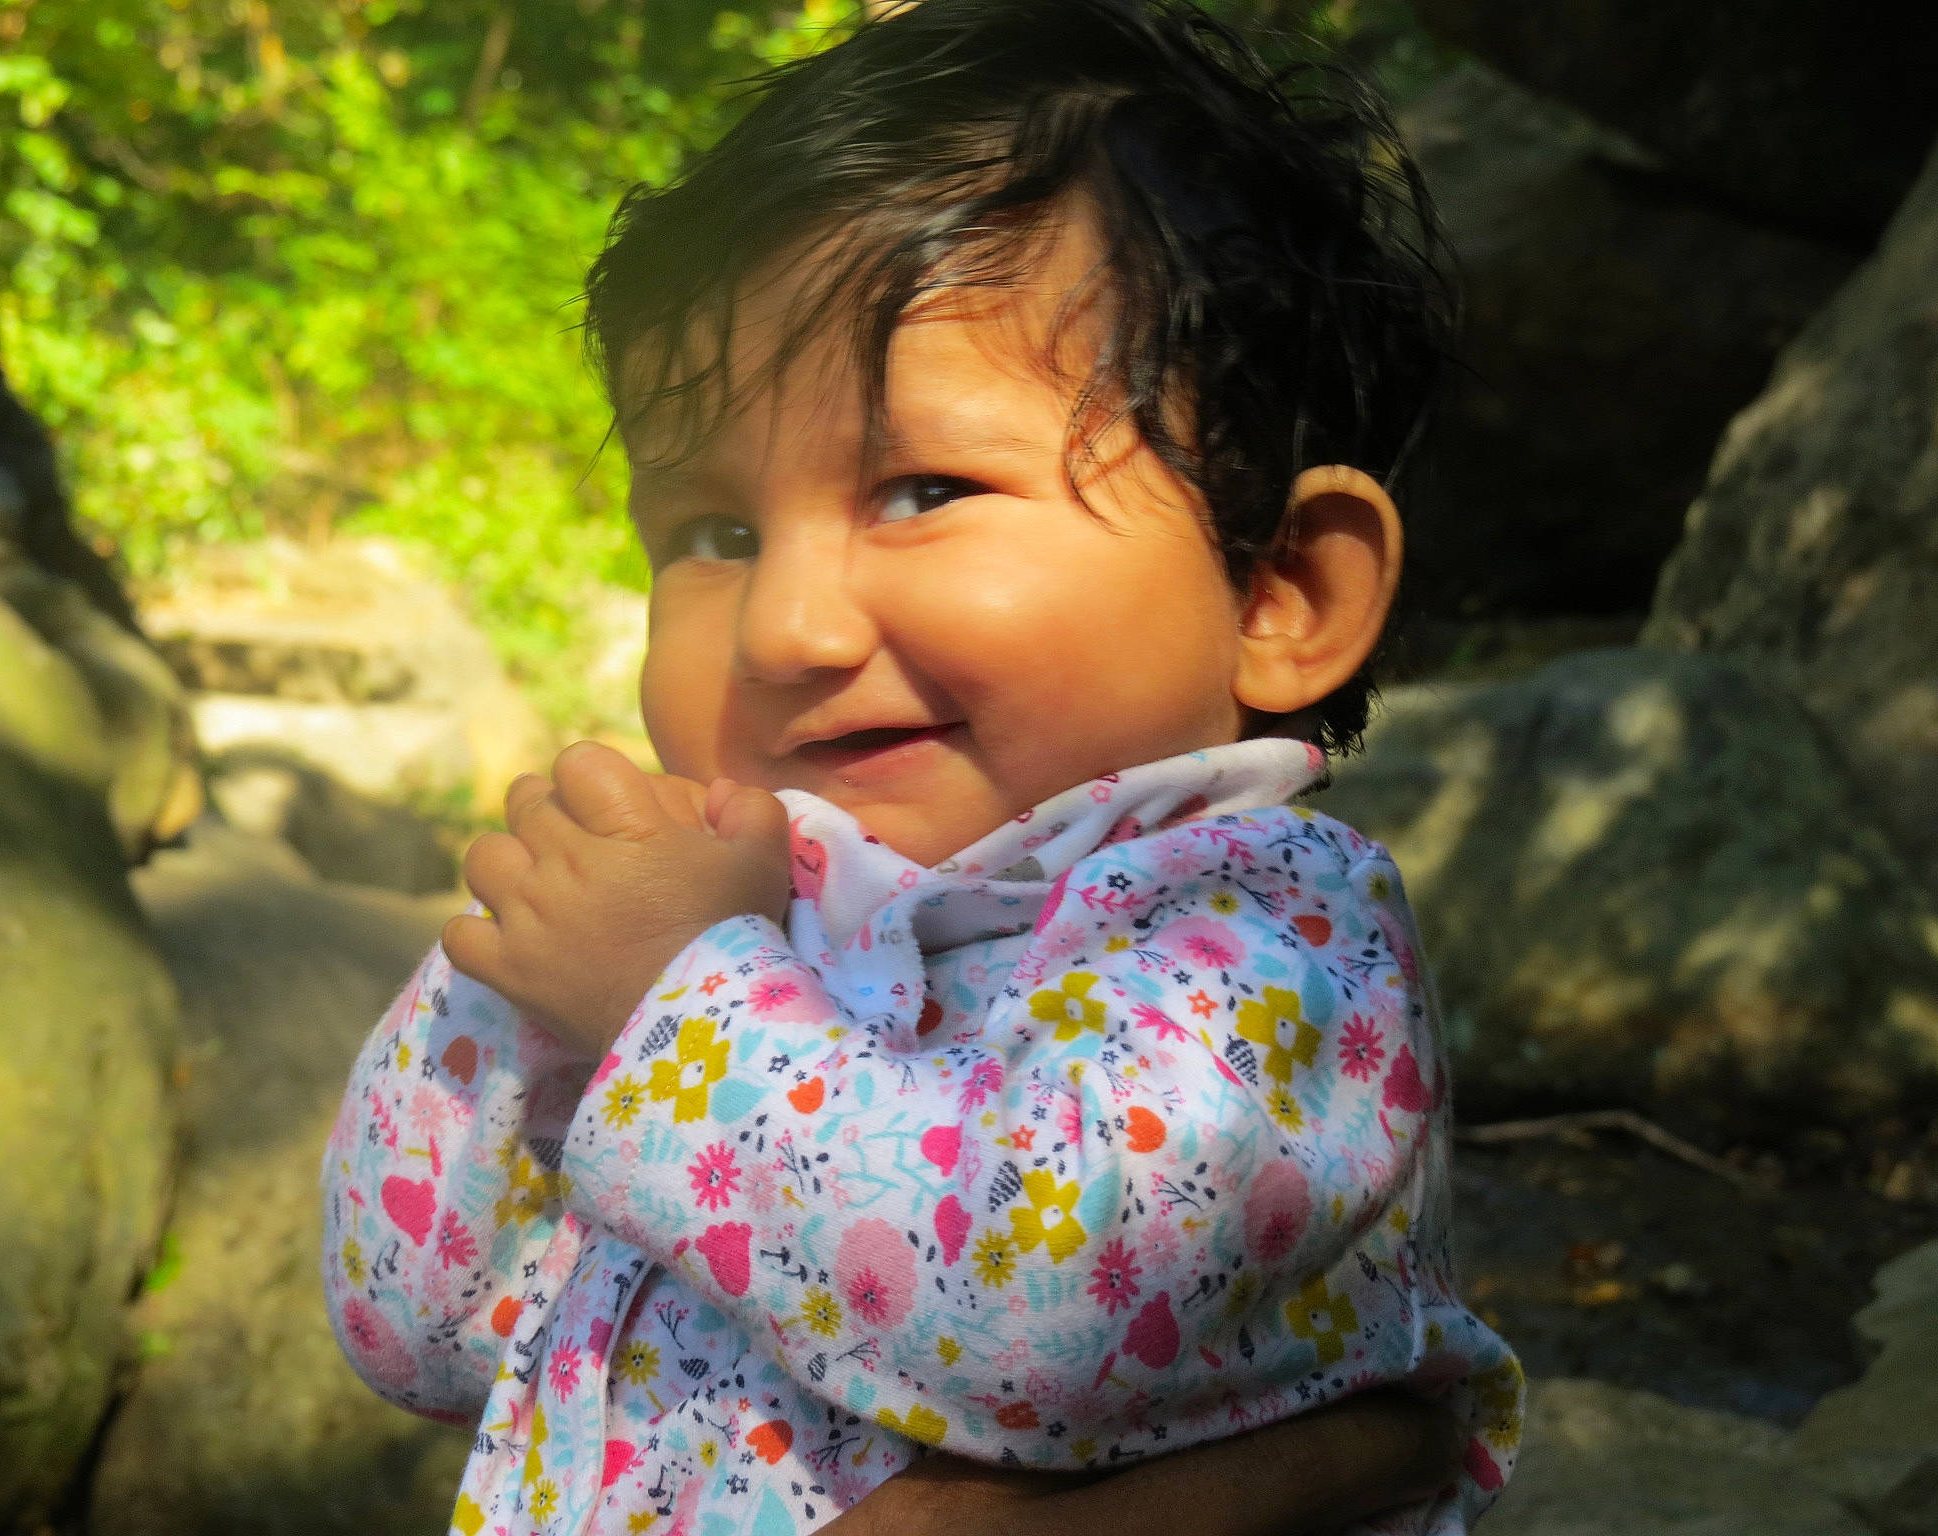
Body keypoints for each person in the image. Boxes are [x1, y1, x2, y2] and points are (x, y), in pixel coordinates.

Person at [320, 3, 1524, 1533]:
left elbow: (1040, 1316)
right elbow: (419, 1327)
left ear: (1282, 592)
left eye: (922, 489)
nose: (784, 627)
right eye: (715, 533)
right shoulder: (754, 925)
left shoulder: (1264, 938)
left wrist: (667, 1002)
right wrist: (514, 999)